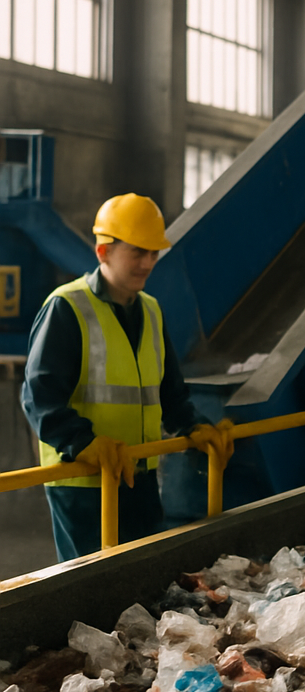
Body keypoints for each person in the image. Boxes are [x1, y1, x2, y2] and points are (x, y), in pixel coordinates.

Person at [21, 193, 234, 562]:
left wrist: (193, 425)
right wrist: (82, 440)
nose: (148, 263)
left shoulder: (151, 310)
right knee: (88, 589)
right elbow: (39, 396)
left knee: (140, 581)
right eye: (138, 252)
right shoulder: (67, 308)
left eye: (153, 253)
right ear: (104, 251)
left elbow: (170, 392)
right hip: (84, 479)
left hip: (141, 471)